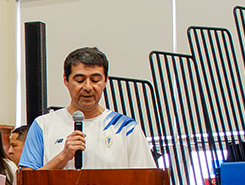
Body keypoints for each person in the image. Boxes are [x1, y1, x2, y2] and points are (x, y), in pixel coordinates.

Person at [19, 47, 156, 170]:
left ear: (105, 81)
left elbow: (146, 181)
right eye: (79, 80)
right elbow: (26, 184)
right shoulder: (43, 125)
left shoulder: (126, 128)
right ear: (66, 80)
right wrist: (62, 157)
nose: (88, 87)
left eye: (95, 80)